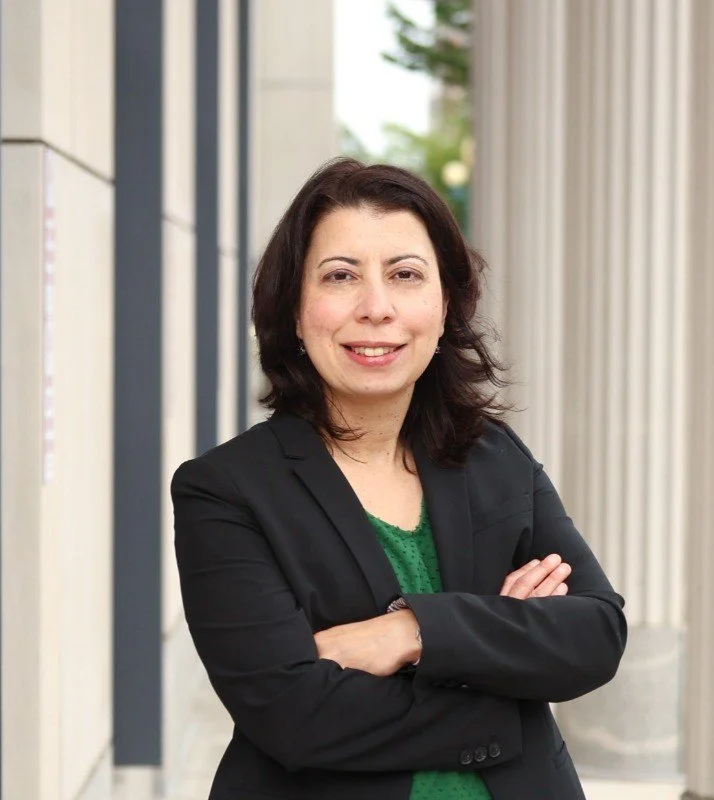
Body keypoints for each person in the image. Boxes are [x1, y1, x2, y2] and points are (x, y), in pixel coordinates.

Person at [172, 158, 627, 800]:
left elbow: (596, 634)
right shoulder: (225, 490)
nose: (376, 308)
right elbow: (294, 714)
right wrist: (504, 671)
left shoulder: (492, 456)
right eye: (340, 276)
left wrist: (409, 633)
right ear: (295, 311)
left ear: (445, 305)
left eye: (405, 275)